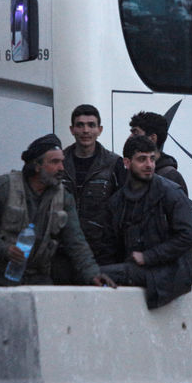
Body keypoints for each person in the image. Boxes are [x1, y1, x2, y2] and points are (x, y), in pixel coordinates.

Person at [0, 133, 115, 287]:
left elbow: (76, 242)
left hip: (36, 278)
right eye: (54, 162)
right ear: (37, 166)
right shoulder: (4, 188)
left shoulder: (63, 198)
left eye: (62, 162)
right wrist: (5, 250)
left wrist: (93, 275)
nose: (61, 168)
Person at [99, 135, 192, 308]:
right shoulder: (117, 202)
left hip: (171, 273)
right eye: (142, 159)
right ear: (127, 163)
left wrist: (148, 256)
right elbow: (108, 246)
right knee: (96, 275)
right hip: (141, 271)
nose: (149, 165)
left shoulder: (171, 193)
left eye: (152, 159)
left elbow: (188, 236)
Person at [53, 104, 126, 282]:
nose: (86, 130)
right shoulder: (58, 161)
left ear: (99, 130)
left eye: (91, 125)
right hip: (61, 251)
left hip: (101, 253)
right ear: (72, 129)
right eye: (80, 125)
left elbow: (122, 208)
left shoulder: (113, 163)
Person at [128, 111, 188, 195]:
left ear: (152, 138)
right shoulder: (128, 172)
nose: (130, 137)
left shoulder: (171, 177)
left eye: (136, 133)